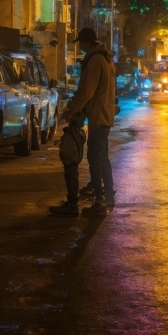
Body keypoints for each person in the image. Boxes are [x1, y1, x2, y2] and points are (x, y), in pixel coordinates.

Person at [50, 27, 117, 217]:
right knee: (102, 157)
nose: (80, 47)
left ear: (85, 43)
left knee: (95, 158)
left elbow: (86, 91)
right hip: (104, 115)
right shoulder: (106, 59)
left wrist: (71, 109)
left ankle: (99, 201)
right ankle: (108, 195)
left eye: (80, 43)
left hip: (98, 116)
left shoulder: (95, 61)